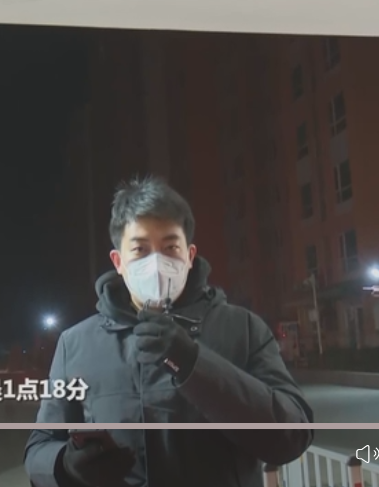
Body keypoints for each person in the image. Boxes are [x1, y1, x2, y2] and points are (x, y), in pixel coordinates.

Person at [25, 176, 314, 487]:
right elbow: (39, 448)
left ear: (189, 256)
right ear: (118, 261)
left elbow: (293, 436)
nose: (156, 263)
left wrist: (193, 363)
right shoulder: (76, 345)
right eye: (140, 249)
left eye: (170, 247)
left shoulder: (242, 329)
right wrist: (66, 465)